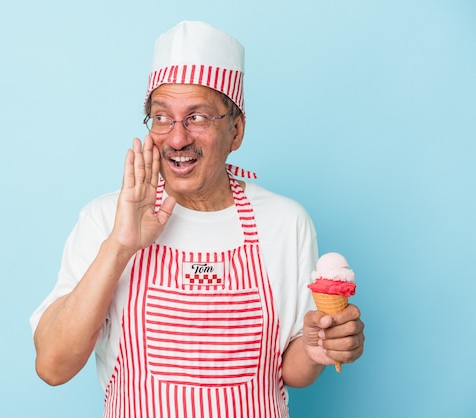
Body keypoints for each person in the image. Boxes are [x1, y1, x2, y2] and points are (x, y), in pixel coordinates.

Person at [30, 20, 364, 417]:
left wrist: (315, 347)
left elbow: (289, 371)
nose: (176, 138)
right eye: (162, 117)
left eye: (198, 118)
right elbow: (53, 366)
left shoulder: (284, 222)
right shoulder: (105, 218)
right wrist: (120, 246)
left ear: (236, 131)